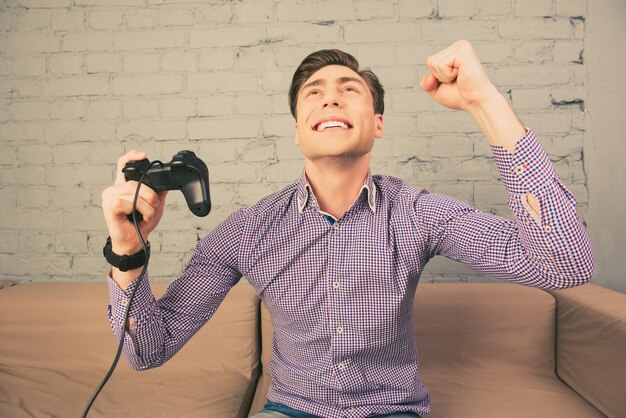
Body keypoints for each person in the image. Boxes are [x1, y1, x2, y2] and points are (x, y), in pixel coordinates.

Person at [101, 40, 594, 418]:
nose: (331, 99)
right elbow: (149, 349)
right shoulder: (248, 230)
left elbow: (565, 264)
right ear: (298, 128)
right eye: (313, 94)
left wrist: (485, 102)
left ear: (376, 124)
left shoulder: (416, 213)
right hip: (292, 409)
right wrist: (127, 251)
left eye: (349, 90)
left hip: (393, 409)